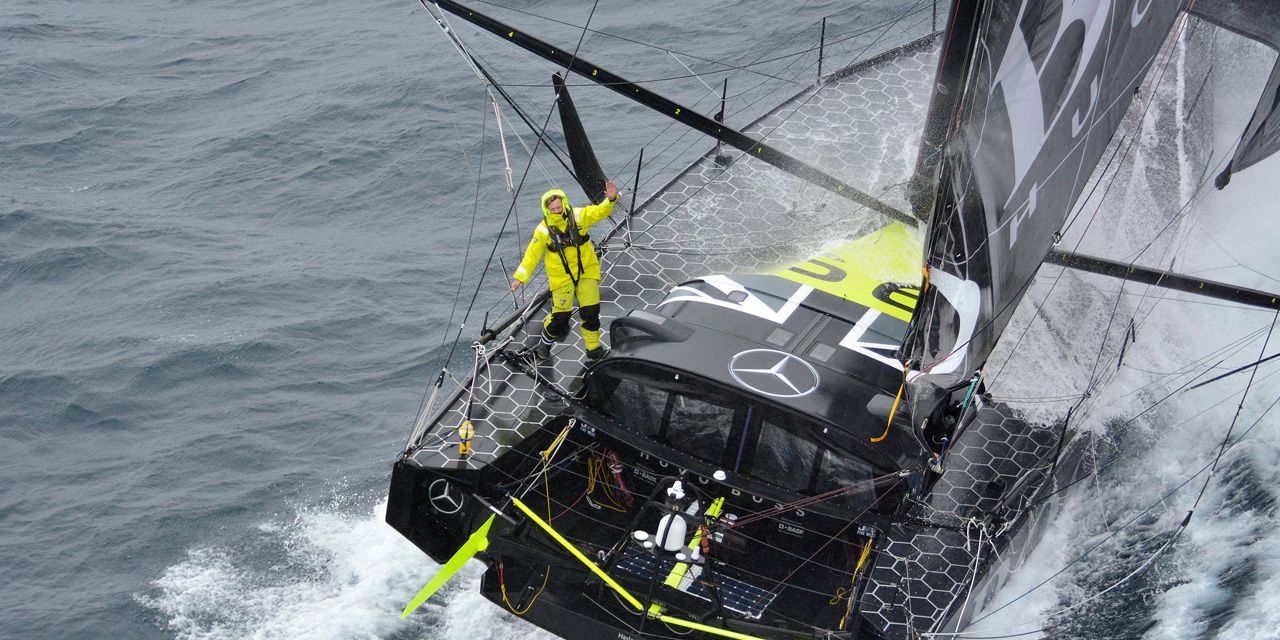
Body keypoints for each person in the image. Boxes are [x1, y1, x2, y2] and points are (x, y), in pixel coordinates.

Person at [511, 180, 619, 360]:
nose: (557, 211)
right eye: (552, 209)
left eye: (559, 207)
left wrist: (611, 199)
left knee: (591, 312)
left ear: (564, 204)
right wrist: (520, 278)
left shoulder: (578, 215)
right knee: (560, 317)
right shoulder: (543, 230)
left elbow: (600, 212)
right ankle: (544, 346)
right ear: (547, 210)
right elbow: (532, 255)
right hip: (561, 278)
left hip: (586, 271)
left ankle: (593, 348)